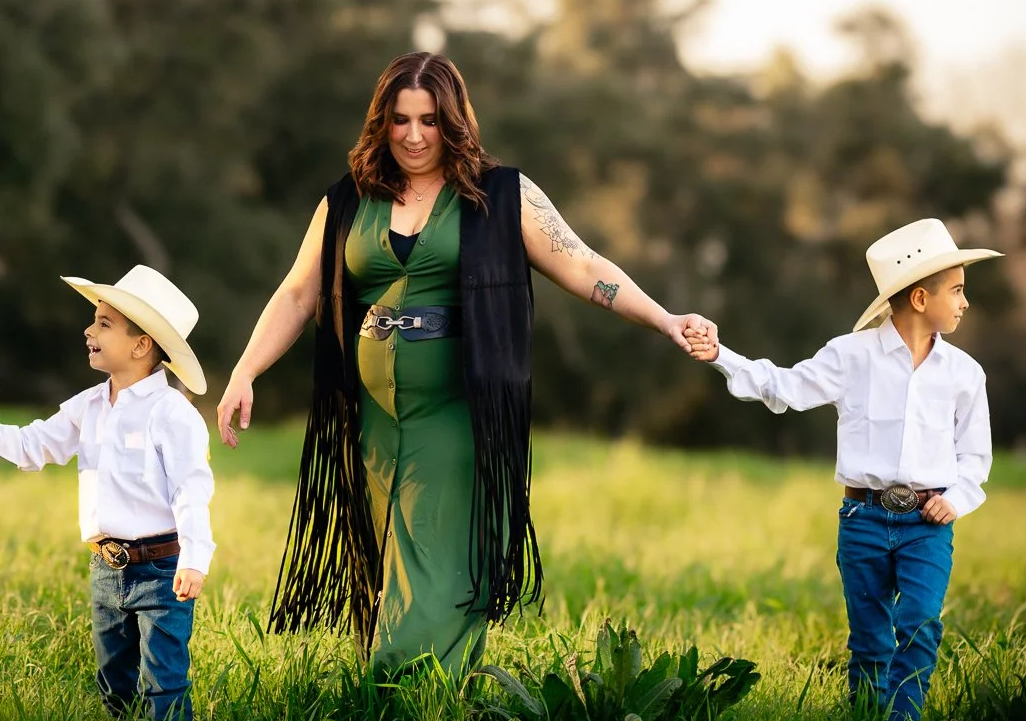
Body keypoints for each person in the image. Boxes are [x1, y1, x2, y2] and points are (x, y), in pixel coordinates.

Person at [214, 51, 718, 678]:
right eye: (400, 120)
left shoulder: (502, 195)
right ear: (381, 122)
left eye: (430, 120)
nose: (415, 135)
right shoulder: (348, 200)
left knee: (434, 559)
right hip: (367, 416)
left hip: (455, 410)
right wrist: (244, 371)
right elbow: (298, 293)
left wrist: (666, 318)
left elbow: (584, 267)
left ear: (454, 121)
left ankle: (402, 693)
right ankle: (428, 710)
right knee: (382, 568)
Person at [702, 218, 999, 721]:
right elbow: (784, 388)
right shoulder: (852, 356)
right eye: (957, 290)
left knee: (921, 625)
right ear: (920, 296)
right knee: (869, 641)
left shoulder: (964, 374)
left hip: (927, 524)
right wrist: (720, 355)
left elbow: (974, 456)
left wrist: (956, 500)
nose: (965, 303)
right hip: (861, 521)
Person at [0, 266, 213, 721]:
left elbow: (191, 488)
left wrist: (195, 559)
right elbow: (36, 445)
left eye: (103, 323)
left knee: (164, 679)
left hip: (163, 569)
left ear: (141, 346)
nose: (88, 330)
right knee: (114, 679)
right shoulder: (88, 406)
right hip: (106, 566)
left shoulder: (172, 413)